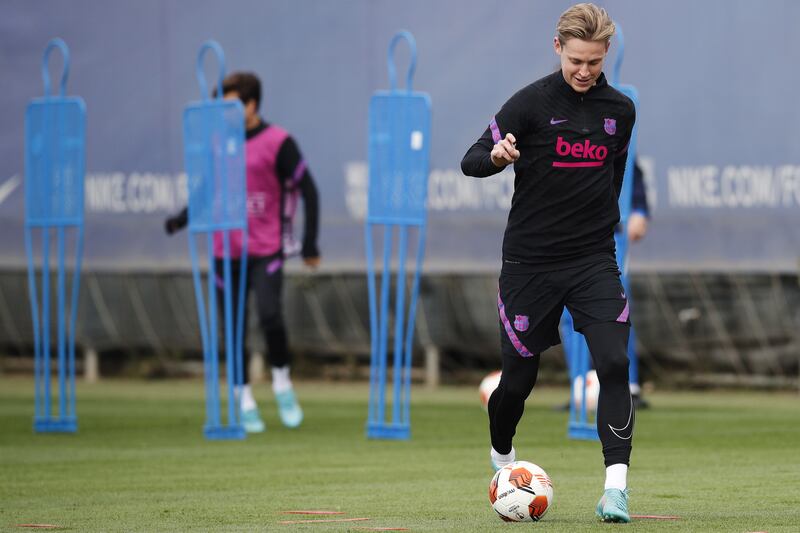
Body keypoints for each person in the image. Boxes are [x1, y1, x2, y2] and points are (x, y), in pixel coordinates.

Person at [460, 3, 636, 523]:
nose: (585, 71)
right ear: (557, 47)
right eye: (577, 60)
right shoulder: (530, 104)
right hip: (529, 264)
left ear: (607, 55)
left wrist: (603, 231)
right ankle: (503, 459)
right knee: (517, 384)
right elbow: (471, 159)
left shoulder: (620, 110)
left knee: (615, 364)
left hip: (592, 260)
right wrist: (496, 158)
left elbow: (614, 177)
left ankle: (616, 489)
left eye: (595, 62)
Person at [165, 72, 320, 433]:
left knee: (269, 316)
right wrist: (182, 219)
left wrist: (310, 244)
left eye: (230, 105)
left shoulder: (278, 142)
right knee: (231, 327)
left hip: (265, 248)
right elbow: (207, 188)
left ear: (251, 105)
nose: (223, 114)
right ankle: (244, 398)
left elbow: (309, 190)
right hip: (225, 248)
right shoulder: (220, 143)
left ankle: (281, 382)